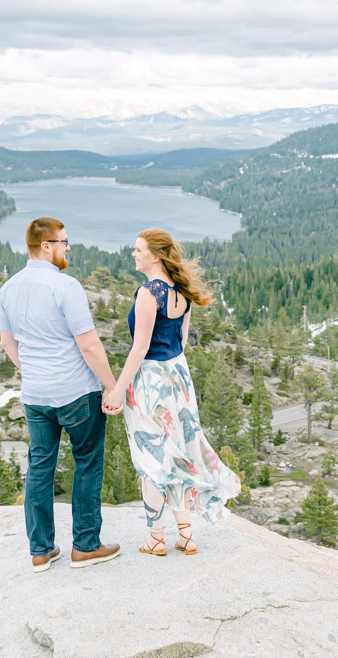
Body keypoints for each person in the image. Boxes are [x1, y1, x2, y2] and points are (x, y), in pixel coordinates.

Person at [102, 228, 241, 556]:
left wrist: (119, 391)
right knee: (176, 452)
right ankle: (186, 534)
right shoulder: (182, 291)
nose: (134, 254)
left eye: (139, 250)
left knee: (152, 460)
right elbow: (182, 340)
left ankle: (155, 537)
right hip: (178, 377)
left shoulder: (149, 293)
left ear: (156, 255)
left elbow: (140, 349)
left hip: (151, 382)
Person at [0, 216, 121, 573]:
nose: (68, 247)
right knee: (86, 461)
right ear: (46, 246)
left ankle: (40, 550)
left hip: (35, 395)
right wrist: (111, 386)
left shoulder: (9, 288)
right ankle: (85, 545)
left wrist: (33, 371)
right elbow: (89, 345)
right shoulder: (65, 286)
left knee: (40, 466)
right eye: (64, 242)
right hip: (75, 393)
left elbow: (8, 342)